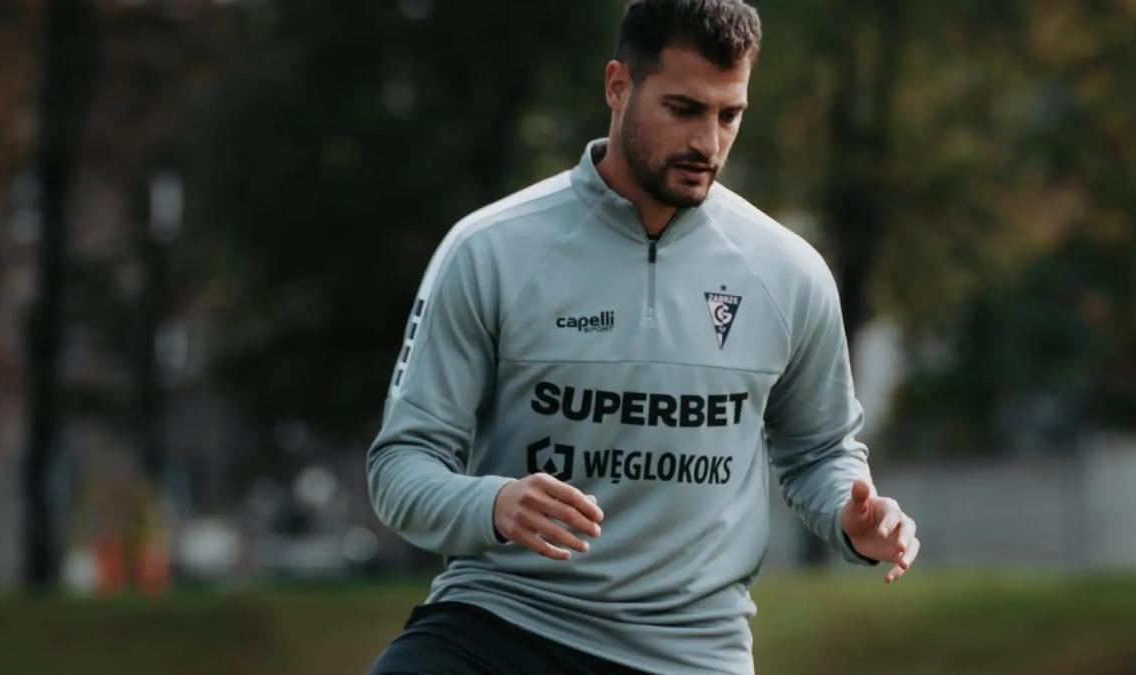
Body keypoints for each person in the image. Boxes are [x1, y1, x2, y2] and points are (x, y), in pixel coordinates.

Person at [365, 1, 919, 672]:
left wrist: (851, 518)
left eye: (728, 115)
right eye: (683, 109)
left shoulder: (789, 273)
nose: (707, 143)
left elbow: (820, 449)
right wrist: (495, 501)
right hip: (501, 621)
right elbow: (401, 466)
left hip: (691, 653)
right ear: (618, 86)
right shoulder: (489, 251)